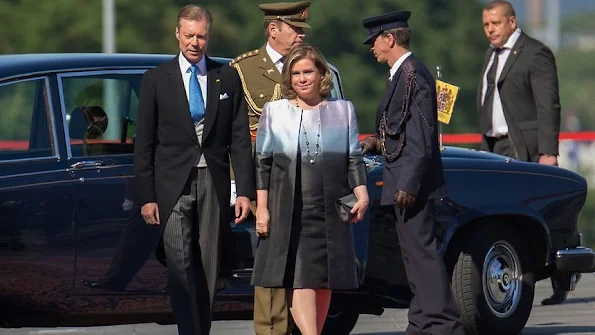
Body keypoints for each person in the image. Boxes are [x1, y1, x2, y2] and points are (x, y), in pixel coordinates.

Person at [133, 5, 254, 335]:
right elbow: (143, 143)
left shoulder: (226, 76)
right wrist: (147, 196)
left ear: (208, 36)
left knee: (210, 265)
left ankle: (201, 328)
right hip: (171, 186)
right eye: (188, 35)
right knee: (180, 264)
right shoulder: (157, 79)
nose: (194, 42)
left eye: (201, 36)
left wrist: (245, 190)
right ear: (177, 34)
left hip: (213, 183)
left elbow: (240, 139)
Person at [359, 10, 465, 335]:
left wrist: (409, 183)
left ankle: (444, 323)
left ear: (389, 38)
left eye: (374, 40)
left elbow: (421, 137)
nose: (371, 48)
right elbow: (402, 128)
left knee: (423, 254)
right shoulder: (399, 74)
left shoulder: (412, 75)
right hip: (402, 178)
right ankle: (422, 321)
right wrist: (379, 142)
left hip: (410, 183)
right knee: (412, 256)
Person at [251, 44, 369, 335]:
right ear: (288, 78)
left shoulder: (343, 111)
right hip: (289, 210)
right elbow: (262, 163)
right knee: (300, 278)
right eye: (295, 73)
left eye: (308, 72)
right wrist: (262, 208)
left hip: (330, 208)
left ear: (321, 74)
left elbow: (353, 156)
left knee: (324, 279)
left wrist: (362, 193)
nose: (302, 78)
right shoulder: (274, 112)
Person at [229, 2, 311, 334]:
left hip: (302, 178)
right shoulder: (243, 69)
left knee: (303, 260)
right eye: (296, 29)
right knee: (270, 259)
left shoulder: (309, 66)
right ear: (273, 29)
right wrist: (240, 186)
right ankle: (274, 328)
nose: (301, 36)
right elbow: (233, 134)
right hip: (260, 179)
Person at [477, 0, 564, 305]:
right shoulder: (490, 55)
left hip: (526, 146)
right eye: (486, 25)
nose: (490, 30)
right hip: (494, 146)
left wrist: (548, 151)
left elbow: (548, 105)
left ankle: (562, 277)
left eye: (496, 24)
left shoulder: (534, 52)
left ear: (512, 22)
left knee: (543, 212)